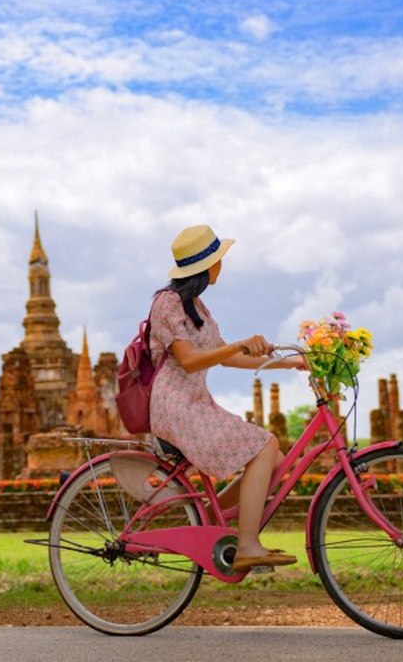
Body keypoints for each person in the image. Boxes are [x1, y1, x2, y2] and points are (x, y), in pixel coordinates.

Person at [148, 224, 308, 572]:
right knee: (266, 445)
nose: (222, 265)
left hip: (195, 404)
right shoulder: (167, 304)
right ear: (206, 266)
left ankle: (205, 522)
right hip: (174, 408)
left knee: (277, 460)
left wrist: (290, 364)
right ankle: (248, 544)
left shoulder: (196, 307)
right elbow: (189, 360)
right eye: (219, 259)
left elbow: (227, 356)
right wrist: (238, 343)